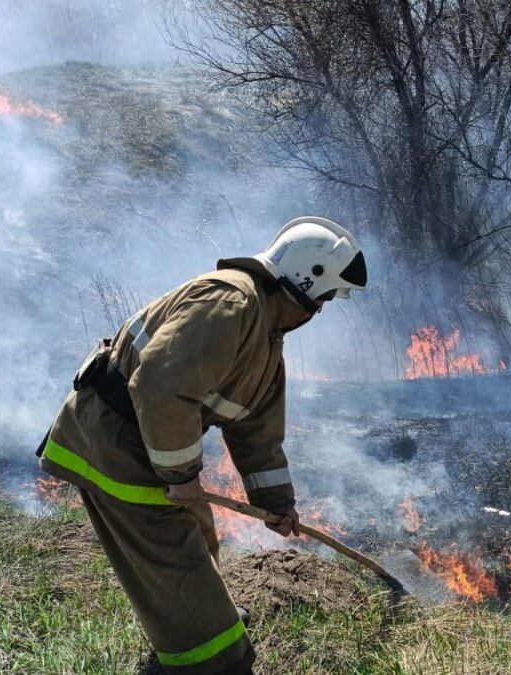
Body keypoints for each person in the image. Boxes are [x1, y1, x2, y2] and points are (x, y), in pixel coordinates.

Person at [37, 217, 367, 674]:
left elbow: (257, 430)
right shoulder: (230, 301)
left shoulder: (267, 338)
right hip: (112, 442)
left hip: (145, 443)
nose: (323, 309)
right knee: (175, 558)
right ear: (303, 279)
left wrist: (276, 502)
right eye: (325, 296)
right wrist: (180, 475)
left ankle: (202, 622)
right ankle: (209, 657)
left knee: (199, 534)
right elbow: (159, 386)